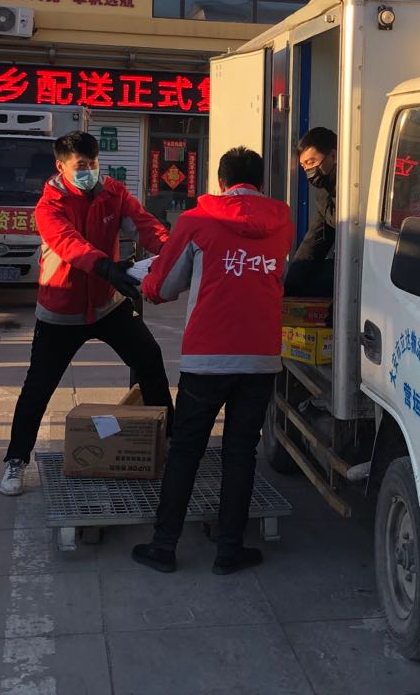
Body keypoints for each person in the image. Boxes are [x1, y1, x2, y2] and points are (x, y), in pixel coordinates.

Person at [131, 146, 293, 575]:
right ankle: (229, 550)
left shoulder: (196, 220)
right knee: (240, 453)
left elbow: (163, 286)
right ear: (260, 182)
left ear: (221, 182)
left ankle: (164, 546)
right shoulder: (282, 222)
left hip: (207, 357)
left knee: (186, 450)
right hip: (261, 357)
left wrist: (145, 283)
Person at [0, 131, 174, 497]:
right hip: (61, 310)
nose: (89, 171)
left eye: (93, 163)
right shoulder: (49, 206)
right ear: (60, 166)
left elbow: (143, 225)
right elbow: (69, 244)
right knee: (38, 387)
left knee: (149, 359)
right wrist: (107, 267)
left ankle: (170, 441)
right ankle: (16, 460)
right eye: (81, 165)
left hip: (108, 303)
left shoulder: (113, 192)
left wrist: (170, 251)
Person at [284, 127, 336, 296]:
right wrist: (291, 286)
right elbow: (316, 238)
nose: (308, 171)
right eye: (303, 165)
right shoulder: (323, 191)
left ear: (333, 156)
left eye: (311, 162)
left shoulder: (355, 187)